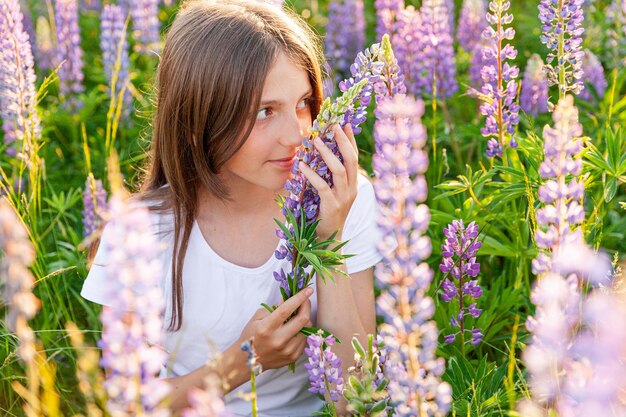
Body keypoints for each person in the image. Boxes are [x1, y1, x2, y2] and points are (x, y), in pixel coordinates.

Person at [81, 0, 385, 415]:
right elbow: (128, 402)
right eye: (264, 112)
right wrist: (243, 361)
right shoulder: (141, 231)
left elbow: (357, 401)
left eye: (303, 102)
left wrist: (329, 239)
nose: (297, 134)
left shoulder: (343, 197)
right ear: (197, 122)